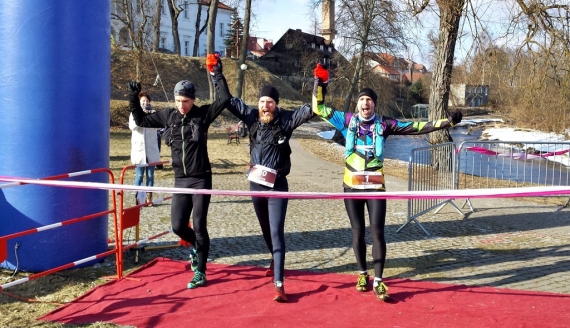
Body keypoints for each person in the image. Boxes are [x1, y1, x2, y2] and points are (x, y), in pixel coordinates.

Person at [312, 63, 462, 302]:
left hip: (375, 187)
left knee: (377, 233)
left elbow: (416, 127)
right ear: (358, 104)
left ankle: (379, 281)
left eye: (369, 100)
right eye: (362, 100)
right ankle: (362, 274)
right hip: (351, 185)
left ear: (374, 104)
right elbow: (318, 107)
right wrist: (320, 84)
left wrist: (448, 123)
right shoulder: (346, 120)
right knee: (357, 232)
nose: (365, 103)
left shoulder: (384, 124)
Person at [128, 53, 229, 289]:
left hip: (201, 178)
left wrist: (217, 74)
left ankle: (201, 271)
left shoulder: (202, 115)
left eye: (185, 101)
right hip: (180, 180)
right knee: (177, 226)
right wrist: (134, 96)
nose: (181, 105)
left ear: (192, 100)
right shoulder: (169, 116)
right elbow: (141, 119)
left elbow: (223, 99)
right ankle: (196, 247)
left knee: (200, 224)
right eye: (177, 100)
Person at [224, 82, 313, 302]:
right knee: (265, 229)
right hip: (256, 185)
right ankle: (274, 258)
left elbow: (313, 108)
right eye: (262, 102)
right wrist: (216, 73)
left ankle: (279, 284)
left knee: (276, 232)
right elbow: (228, 100)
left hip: (277, 186)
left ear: (276, 104)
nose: (265, 106)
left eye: (270, 102)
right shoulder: (252, 117)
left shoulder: (286, 120)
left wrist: (320, 83)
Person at [129, 92, 161, 206]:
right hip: (139, 150)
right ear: (139, 102)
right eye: (143, 101)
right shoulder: (134, 113)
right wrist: (141, 116)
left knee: (150, 175)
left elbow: (159, 127)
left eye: (147, 101)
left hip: (151, 150)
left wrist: (152, 116)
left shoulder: (153, 113)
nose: (145, 103)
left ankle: (149, 198)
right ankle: (138, 198)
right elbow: (132, 126)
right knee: (139, 175)